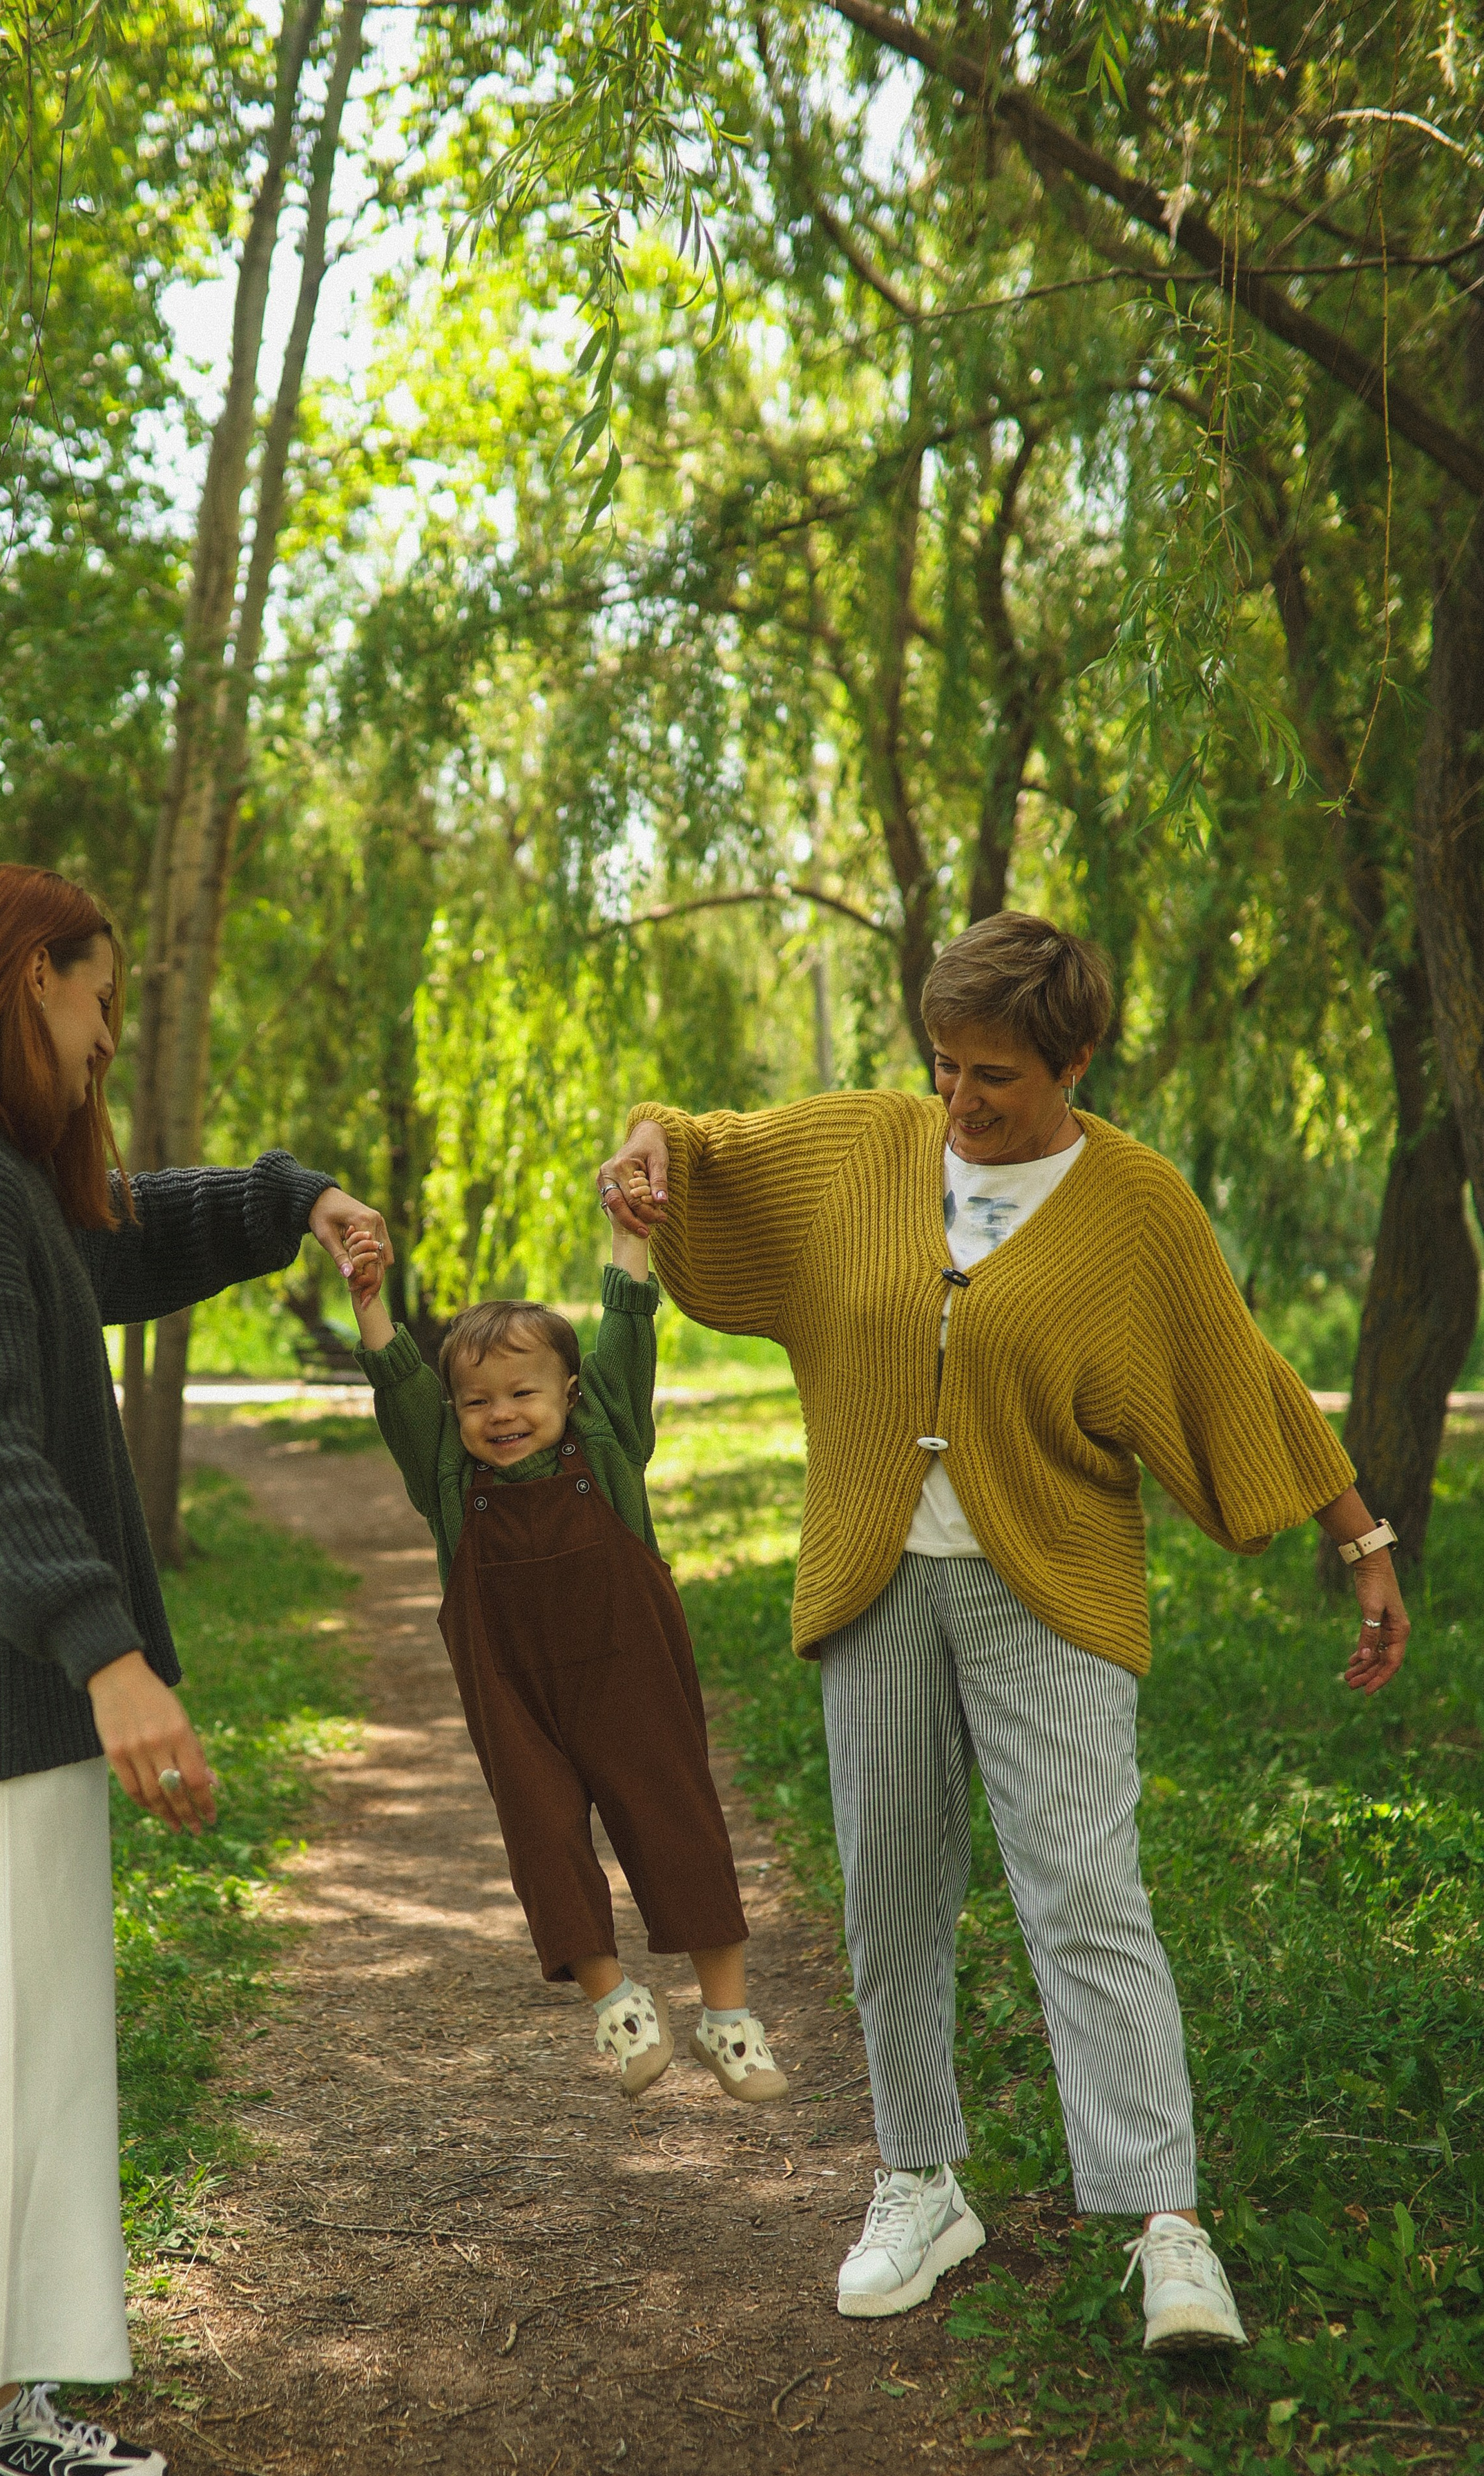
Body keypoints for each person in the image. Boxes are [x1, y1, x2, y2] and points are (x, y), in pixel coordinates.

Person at [597, 910, 1408, 2351]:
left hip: (1051, 1591)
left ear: (1072, 1060)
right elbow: (706, 1145)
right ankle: (917, 2180)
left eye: (994, 1078)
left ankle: (1165, 2223)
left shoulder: (1135, 1203)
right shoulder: (868, 1144)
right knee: (889, 1899)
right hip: (874, 1580)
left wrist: (1359, 1536)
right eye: (945, 1067)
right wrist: (651, 1144)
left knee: (1084, 1898)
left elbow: (1231, 1366)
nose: (961, 1103)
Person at [0, 863, 393, 2476]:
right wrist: (110, 1654)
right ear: (28, 981)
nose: (103, 1037)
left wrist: (289, 1198)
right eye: (95, 996)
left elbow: (128, 1231)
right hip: (0, 1706)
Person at [345, 1185, 787, 2102]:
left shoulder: (607, 1438)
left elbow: (625, 1340)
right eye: (476, 1401)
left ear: (570, 1392)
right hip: (516, 1695)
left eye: (522, 1394)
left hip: (632, 1676)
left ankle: (727, 2019)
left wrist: (630, 1241)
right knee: (542, 1841)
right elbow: (400, 1388)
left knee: (681, 1824)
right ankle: (618, 2007)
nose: (498, 1414)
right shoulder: (447, 1479)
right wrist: (369, 1299)